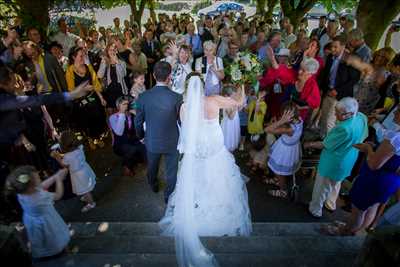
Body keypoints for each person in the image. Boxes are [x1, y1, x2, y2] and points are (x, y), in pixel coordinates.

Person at [159, 73, 251, 267]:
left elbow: (186, 130)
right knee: (219, 176)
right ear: (202, 86)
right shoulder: (214, 100)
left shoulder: (184, 107)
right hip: (214, 147)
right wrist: (242, 83)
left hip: (198, 149)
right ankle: (217, 204)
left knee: (198, 178)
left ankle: (199, 206)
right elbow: (239, 102)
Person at [324, 105, 400, 235]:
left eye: (398, 111)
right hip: (391, 180)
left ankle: (344, 231)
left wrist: (368, 149)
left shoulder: (395, 138)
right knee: (371, 208)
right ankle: (354, 229)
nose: (393, 114)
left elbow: (374, 164)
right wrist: (377, 147)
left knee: (358, 209)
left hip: (376, 179)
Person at [306, 97, 368, 218]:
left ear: (348, 114)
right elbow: (363, 137)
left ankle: (315, 210)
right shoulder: (361, 117)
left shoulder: (343, 128)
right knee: (336, 182)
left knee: (322, 187)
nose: (334, 113)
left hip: (333, 162)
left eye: (337, 112)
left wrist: (309, 144)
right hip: (349, 158)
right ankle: (330, 203)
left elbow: (325, 144)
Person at [134, 61, 183, 203]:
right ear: (169, 77)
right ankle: (169, 196)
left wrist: (141, 137)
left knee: (152, 167)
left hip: (152, 140)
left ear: (154, 75)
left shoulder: (143, 97)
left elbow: (138, 121)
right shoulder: (177, 97)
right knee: (172, 171)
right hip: (171, 140)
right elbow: (181, 121)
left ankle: (153, 185)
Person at [6, 166, 70, 258]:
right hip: (46, 221)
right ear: (32, 187)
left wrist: (55, 176)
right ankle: (58, 251)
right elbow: (58, 195)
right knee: (52, 236)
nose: (40, 178)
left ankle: (45, 250)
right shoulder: (40, 197)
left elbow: (40, 186)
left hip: (32, 220)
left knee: (41, 239)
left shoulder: (21, 192)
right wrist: (59, 180)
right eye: (38, 178)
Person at [66, 46, 107, 150]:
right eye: (80, 56)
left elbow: (95, 84)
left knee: (97, 116)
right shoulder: (70, 71)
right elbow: (71, 92)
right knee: (86, 119)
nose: (83, 57)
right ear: (73, 57)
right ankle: (89, 138)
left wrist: (101, 98)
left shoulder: (88, 67)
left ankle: (97, 137)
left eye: (84, 55)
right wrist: (84, 88)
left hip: (92, 97)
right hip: (80, 100)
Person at [51, 130, 97, 212]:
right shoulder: (80, 147)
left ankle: (91, 203)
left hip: (78, 176)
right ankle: (87, 194)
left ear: (62, 145)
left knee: (84, 189)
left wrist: (57, 157)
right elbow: (71, 150)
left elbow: (64, 164)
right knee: (86, 186)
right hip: (85, 169)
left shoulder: (67, 157)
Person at [265, 103, 303, 198]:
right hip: (292, 147)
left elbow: (267, 130)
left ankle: (283, 191)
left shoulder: (289, 129)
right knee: (279, 169)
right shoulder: (299, 119)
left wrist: (281, 121)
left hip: (285, 151)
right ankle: (277, 180)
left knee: (278, 170)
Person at [109, 96, 146, 176]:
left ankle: (136, 159)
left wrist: (137, 115)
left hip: (132, 140)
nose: (126, 106)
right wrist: (122, 114)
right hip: (120, 144)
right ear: (118, 106)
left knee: (144, 149)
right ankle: (126, 167)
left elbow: (141, 127)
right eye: (124, 104)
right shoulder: (113, 117)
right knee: (132, 150)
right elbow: (119, 132)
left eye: (127, 104)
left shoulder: (131, 115)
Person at [97, 43, 128, 111]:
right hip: (109, 91)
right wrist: (103, 64)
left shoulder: (121, 62)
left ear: (116, 51)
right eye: (110, 50)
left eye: (114, 50)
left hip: (120, 90)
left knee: (120, 111)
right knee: (110, 112)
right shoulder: (105, 62)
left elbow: (123, 74)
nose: (112, 52)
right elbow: (99, 75)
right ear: (107, 51)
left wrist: (117, 63)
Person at [221, 86, 241, 152]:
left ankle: (232, 149)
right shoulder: (226, 103)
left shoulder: (232, 101)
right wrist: (235, 106)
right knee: (229, 137)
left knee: (233, 134)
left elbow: (239, 109)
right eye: (233, 94)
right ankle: (228, 150)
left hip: (234, 122)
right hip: (229, 124)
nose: (235, 95)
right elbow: (231, 117)